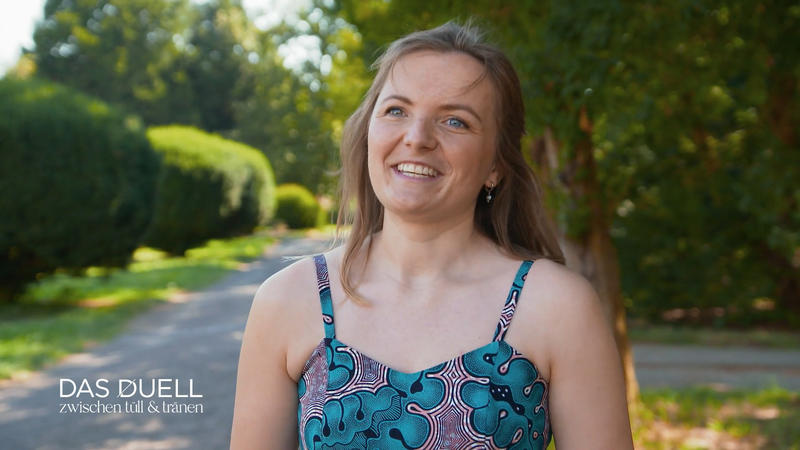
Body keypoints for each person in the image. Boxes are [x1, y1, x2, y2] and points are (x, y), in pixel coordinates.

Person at [230, 21, 633, 450]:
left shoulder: (558, 307)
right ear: (369, 132)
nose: (417, 138)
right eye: (397, 111)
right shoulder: (289, 301)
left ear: (496, 165)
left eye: (455, 121)